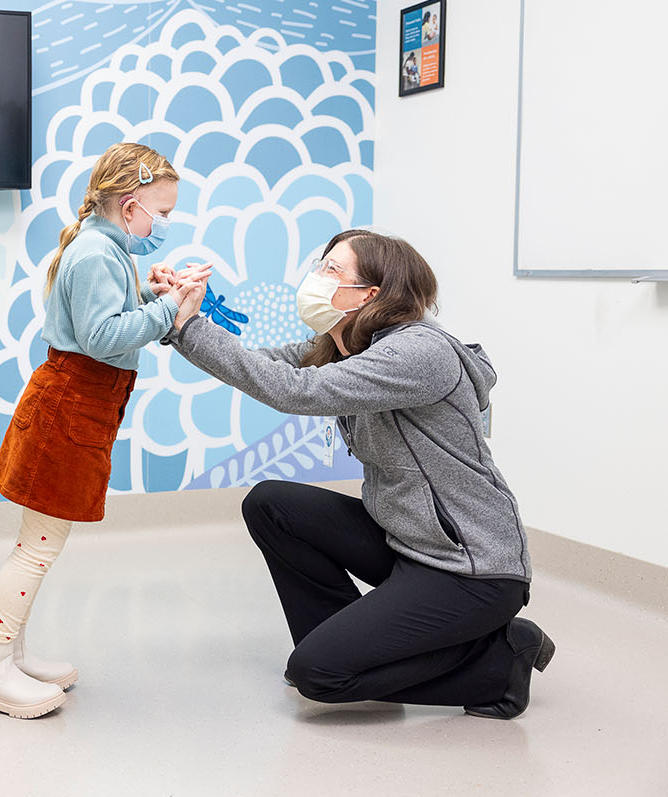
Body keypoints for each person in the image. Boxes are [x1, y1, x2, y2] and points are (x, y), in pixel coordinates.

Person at [165, 228, 554, 720]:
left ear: (370, 294)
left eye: (332, 270)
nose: (315, 278)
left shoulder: (418, 353)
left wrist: (185, 327)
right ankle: (344, 644)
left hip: (471, 568)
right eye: (320, 265)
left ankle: (500, 664)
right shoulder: (349, 345)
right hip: (407, 543)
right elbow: (263, 364)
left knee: (319, 676)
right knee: (272, 505)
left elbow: (295, 390)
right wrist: (177, 317)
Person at [0, 142, 211, 719]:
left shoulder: (102, 246)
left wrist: (151, 290)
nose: (165, 225)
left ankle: (9, 655)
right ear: (130, 208)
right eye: (163, 212)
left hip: (76, 406)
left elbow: (99, 314)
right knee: (37, 548)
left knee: (36, 543)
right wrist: (170, 310)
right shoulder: (99, 254)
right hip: (70, 410)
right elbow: (103, 338)